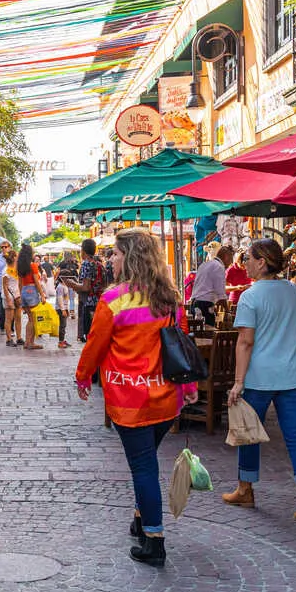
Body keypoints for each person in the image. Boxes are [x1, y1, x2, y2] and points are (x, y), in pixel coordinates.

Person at [75, 228, 198, 568]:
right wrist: (188, 388)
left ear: (128, 257)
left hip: (130, 399)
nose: (110, 259)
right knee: (146, 460)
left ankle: (154, 540)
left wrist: (83, 376)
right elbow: (180, 347)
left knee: (143, 467)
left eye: (114, 253)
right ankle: (140, 519)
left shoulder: (114, 300)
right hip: (166, 398)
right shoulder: (169, 298)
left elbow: (95, 345)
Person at [222, 239, 296, 523]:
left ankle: (245, 489)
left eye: (249, 259)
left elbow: (245, 342)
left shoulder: (250, 297)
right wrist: (295, 354)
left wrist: (238, 381)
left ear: (262, 261)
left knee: (249, 432)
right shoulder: (294, 291)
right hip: (292, 374)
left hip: (259, 376)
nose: (245, 264)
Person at [61, 239, 105, 342]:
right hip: (100, 302)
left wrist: (72, 284)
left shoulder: (86, 264)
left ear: (83, 251)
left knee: (90, 334)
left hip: (89, 303)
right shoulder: (99, 264)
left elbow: (86, 287)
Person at [189, 243, 233, 322]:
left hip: (195, 303)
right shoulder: (219, 267)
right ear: (226, 257)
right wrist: (227, 311)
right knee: (208, 331)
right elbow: (221, 293)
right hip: (204, 305)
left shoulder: (205, 265)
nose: (230, 263)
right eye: (230, 260)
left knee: (199, 332)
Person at [17, 244, 46, 350]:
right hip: (31, 291)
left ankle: (27, 342)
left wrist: (20, 296)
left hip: (24, 291)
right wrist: (42, 294)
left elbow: (20, 284)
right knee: (33, 319)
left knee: (30, 318)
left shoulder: (20, 267)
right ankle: (30, 342)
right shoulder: (33, 266)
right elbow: (36, 282)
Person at [2, 253, 22, 347]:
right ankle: (9, 339)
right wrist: (9, 300)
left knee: (18, 318)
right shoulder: (6, 271)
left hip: (17, 295)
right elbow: (5, 287)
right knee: (9, 319)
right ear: (13, 258)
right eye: (16, 256)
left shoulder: (17, 269)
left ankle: (19, 338)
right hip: (9, 296)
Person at [55, 263, 73, 349]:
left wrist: (66, 309)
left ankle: (62, 340)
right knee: (62, 325)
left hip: (64, 308)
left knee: (64, 325)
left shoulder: (64, 286)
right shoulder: (60, 287)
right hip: (60, 308)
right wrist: (63, 310)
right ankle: (60, 342)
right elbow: (60, 299)